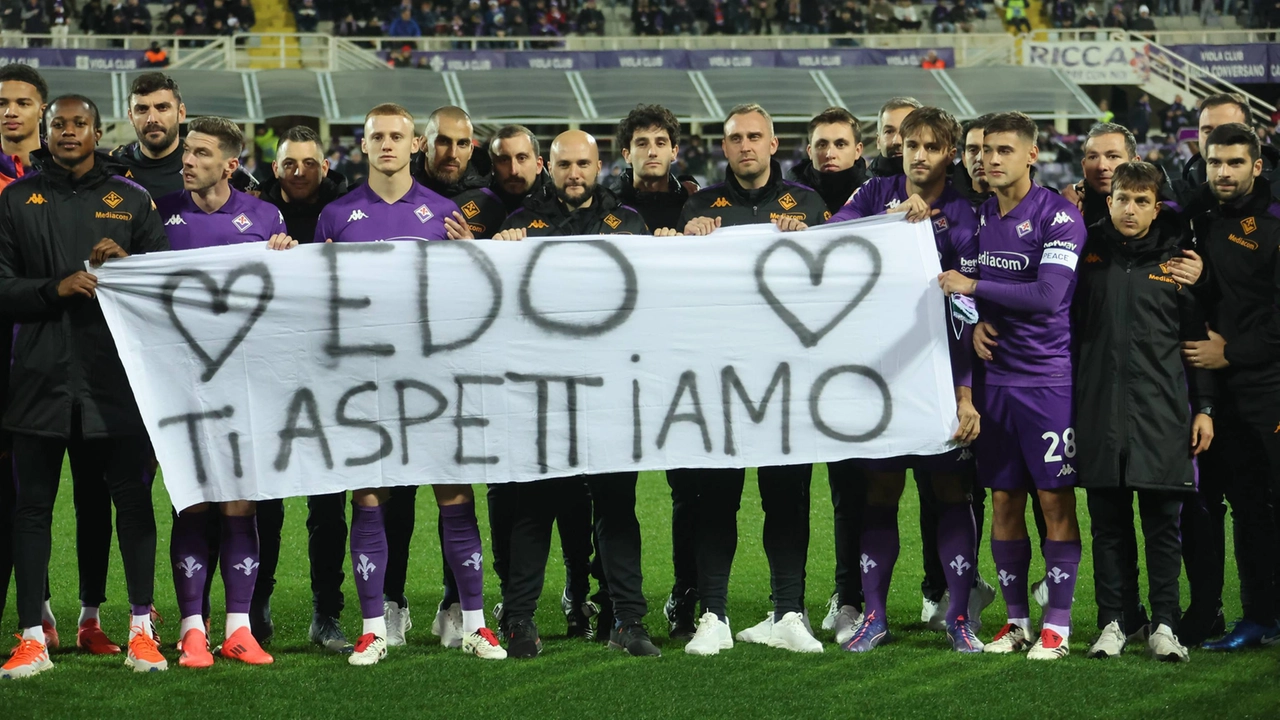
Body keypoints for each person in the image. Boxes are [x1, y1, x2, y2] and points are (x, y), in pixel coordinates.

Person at [306, 103, 503, 665]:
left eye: (397, 136)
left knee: (455, 492)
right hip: (364, 379)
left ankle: (473, 624)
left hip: (434, 377)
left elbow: (473, 301)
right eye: (377, 137)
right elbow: (316, 299)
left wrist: (472, 257)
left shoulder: (446, 214)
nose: (387, 144)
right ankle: (373, 628)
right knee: (369, 494)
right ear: (362, 146)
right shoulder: (335, 216)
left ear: (415, 144)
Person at [0, 95, 170, 679]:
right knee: (32, 510)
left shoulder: (130, 200)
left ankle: (142, 629)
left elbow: (166, 286)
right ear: (44, 133)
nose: (68, 132)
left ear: (99, 132)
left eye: (80, 124)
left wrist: (127, 264)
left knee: (129, 505)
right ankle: (30, 638)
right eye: (58, 125)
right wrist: (55, 288)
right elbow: (1, 286)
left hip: (116, 380)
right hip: (39, 380)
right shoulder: (16, 200)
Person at [492, 130, 655, 659]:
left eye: (583, 164)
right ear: (548, 167)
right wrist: (500, 254)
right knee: (534, 505)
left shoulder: (629, 222)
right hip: (542, 393)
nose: (574, 174)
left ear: (600, 164)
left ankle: (627, 620)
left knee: (615, 505)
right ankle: (519, 619)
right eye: (564, 165)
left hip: (611, 389)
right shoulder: (518, 226)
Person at [828, 107, 984, 653]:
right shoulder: (875, 193)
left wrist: (965, 395)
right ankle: (874, 614)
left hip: (940, 375)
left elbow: (968, 307)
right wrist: (890, 221)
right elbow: (830, 239)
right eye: (910, 144)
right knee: (881, 488)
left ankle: (959, 614)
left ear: (949, 151)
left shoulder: (967, 212)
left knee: (950, 489)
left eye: (931, 146)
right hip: (882, 375)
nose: (918, 154)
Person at [676, 103, 828, 656]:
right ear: (725, 147)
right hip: (719, 376)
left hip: (787, 377)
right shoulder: (698, 206)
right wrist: (686, 239)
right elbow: (678, 286)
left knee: (787, 497)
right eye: (735, 137)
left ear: (773, 143)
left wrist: (807, 237)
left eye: (755, 136)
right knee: (716, 497)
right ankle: (712, 614)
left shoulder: (807, 204)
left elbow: (827, 283)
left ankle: (788, 611)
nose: (745, 145)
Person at [938, 111, 1087, 661]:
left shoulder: (1060, 217)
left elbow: (1049, 295)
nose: (989, 159)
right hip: (994, 381)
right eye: (982, 151)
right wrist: (974, 314)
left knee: (1053, 500)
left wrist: (974, 285)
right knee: (1004, 500)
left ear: (1031, 155)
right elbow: (956, 287)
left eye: (1003, 150)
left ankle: (1060, 627)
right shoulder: (976, 218)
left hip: (1047, 381)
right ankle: (1017, 622)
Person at [154, 117, 291, 668]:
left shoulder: (265, 218)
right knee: (194, 497)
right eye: (187, 151)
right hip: (177, 381)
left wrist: (287, 258)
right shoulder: (159, 213)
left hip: (245, 381)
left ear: (231, 165)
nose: (188, 160)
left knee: (241, 502)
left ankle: (238, 628)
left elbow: (281, 297)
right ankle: (192, 628)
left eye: (201, 153)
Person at [1075, 160, 1210, 663]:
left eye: (1140, 201)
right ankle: (1113, 621)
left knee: (1162, 526)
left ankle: (1165, 626)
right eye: (1121, 199)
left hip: (1163, 412)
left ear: (1157, 207)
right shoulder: (1084, 252)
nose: (1129, 210)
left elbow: (1197, 342)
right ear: (1107, 200)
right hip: (1098, 410)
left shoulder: (1182, 262)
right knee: (1107, 524)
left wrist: (1207, 408)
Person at [391, 105, 504, 653]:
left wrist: (477, 253)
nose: (452, 153)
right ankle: (391, 602)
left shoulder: (490, 204)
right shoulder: (389, 196)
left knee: (454, 489)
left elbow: (513, 270)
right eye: (442, 143)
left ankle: (455, 603)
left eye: (462, 144)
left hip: (456, 367)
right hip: (389, 367)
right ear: (422, 144)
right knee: (393, 492)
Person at [1181, 123, 1280, 650]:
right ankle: (1259, 615)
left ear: (1256, 166)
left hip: (1270, 386)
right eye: (1215, 162)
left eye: (1235, 162)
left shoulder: (1274, 224)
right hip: (1222, 396)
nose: (1223, 171)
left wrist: (1230, 352)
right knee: (1245, 508)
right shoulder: (1198, 220)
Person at [257, 125, 353, 653]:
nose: (298, 172)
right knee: (266, 500)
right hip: (269, 369)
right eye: (289, 163)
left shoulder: (345, 210)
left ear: (325, 165)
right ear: (276, 167)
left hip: (329, 372)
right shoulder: (251, 212)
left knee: (327, 502)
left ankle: (326, 613)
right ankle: (257, 605)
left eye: (308, 163)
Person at [612, 105, 695, 637]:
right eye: (641, 142)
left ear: (673, 150)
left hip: (679, 365)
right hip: (617, 365)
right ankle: (615, 604)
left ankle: (686, 598)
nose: (651, 150)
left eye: (660, 141)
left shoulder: (699, 206)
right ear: (626, 153)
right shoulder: (605, 207)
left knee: (688, 490)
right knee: (614, 491)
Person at [789, 106, 871, 644]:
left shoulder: (883, 195)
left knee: (857, 490)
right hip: (798, 360)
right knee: (796, 487)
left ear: (858, 148)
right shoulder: (790, 196)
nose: (829, 152)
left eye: (839, 143)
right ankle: (808, 602)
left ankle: (855, 596)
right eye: (820, 143)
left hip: (862, 363)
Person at [112, 73, 257, 198]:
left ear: (181, 113)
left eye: (162, 108)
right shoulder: (113, 165)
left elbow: (263, 201)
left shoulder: (213, 163)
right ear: (131, 117)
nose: (152, 119)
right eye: (142, 110)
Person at [449, 125, 550, 238]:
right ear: (492, 166)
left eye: (522, 158)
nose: (513, 170)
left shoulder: (561, 204)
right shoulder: (470, 202)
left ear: (538, 164)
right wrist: (472, 247)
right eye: (504, 160)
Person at [790, 106, 868, 215]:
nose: (830, 154)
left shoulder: (876, 196)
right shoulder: (786, 196)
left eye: (840, 145)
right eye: (822, 145)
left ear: (858, 151)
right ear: (810, 151)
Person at [869, 97, 922, 178]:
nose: (897, 141)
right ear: (878, 141)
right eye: (889, 132)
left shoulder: (943, 184)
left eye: (906, 130)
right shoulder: (862, 187)